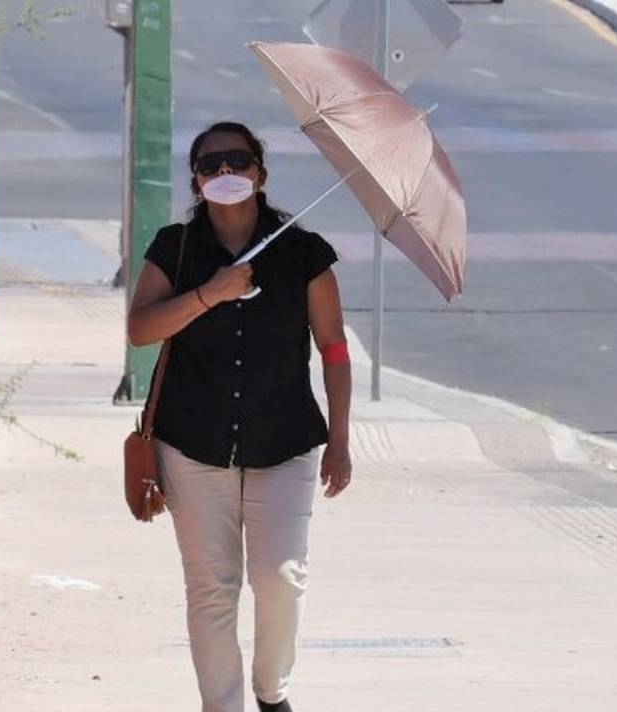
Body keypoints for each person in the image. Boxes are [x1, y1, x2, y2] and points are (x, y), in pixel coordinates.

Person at [127, 121, 353, 712]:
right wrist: (211, 293)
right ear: (197, 182)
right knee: (211, 589)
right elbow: (140, 328)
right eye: (211, 164)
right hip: (191, 443)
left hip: (286, 441)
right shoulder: (174, 248)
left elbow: (333, 348)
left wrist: (342, 439)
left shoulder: (302, 251)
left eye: (238, 160)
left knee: (280, 577)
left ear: (260, 173)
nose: (226, 173)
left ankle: (271, 692)